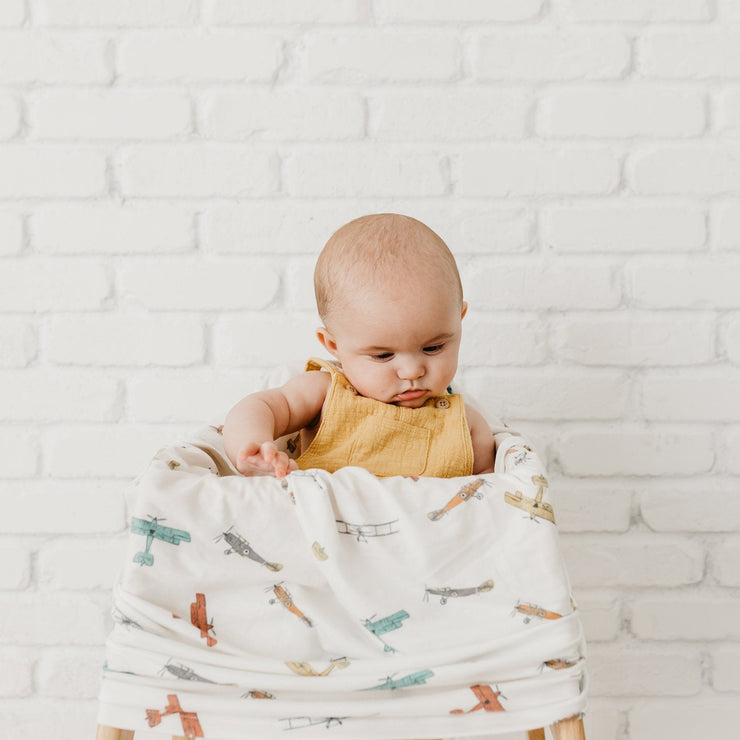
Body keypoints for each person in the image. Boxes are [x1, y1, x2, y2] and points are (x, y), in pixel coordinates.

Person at [222, 213, 495, 479]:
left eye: (433, 348)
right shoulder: (325, 392)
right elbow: (259, 407)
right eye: (383, 355)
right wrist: (253, 447)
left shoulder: (466, 424)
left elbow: (492, 492)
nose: (412, 371)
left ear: (458, 320)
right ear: (333, 345)